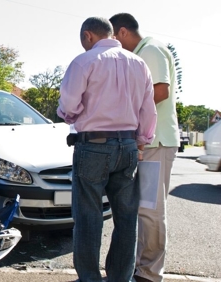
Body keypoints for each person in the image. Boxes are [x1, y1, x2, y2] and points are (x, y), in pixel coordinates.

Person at [57, 16, 157, 282]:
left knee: (89, 216)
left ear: (88, 36)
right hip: (127, 146)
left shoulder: (84, 61)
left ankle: (90, 278)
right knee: (126, 218)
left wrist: (70, 115)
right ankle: (120, 278)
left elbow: (69, 105)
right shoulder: (139, 63)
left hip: (93, 145)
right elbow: (148, 109)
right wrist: (141, 142)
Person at [109, 13, 180, 282]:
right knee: (143, 209)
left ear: (123, 32)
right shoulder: (141, 52)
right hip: (146, 142)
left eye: (114, 38)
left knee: (151, 210)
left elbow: (161, 91)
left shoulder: (150, 50)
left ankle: (150, 274)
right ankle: (142, 268)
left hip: (155, 142)